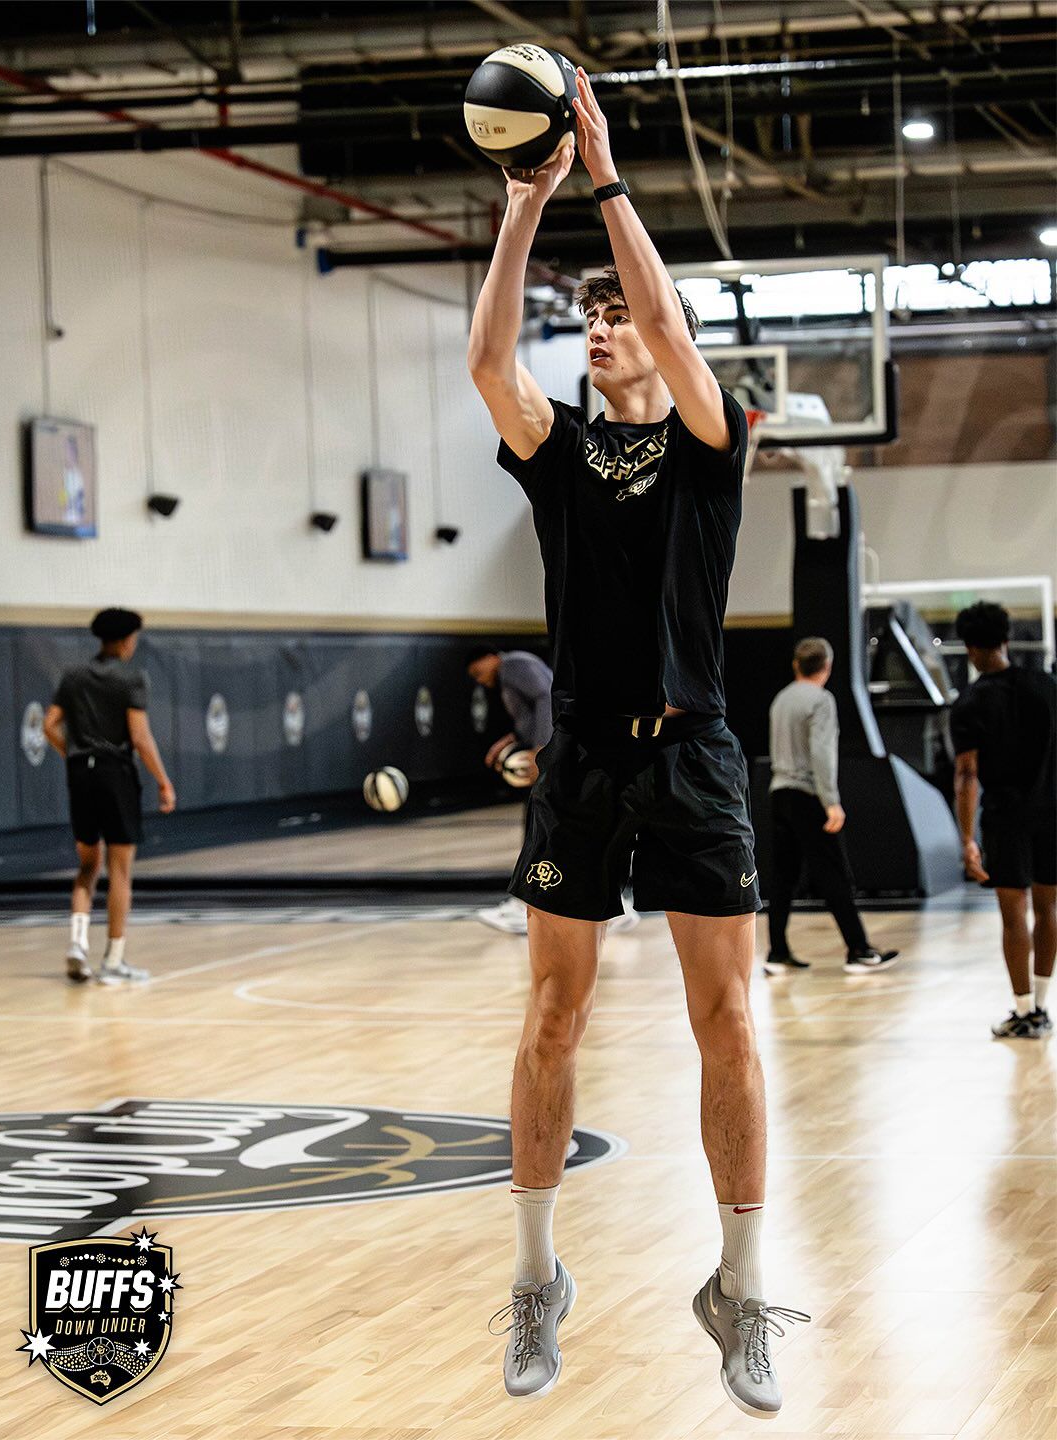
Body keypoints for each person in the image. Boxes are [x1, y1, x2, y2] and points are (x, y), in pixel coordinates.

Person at [469, 70, 808, 1418]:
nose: (606, 332)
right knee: (553, 1018)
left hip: (697, 759)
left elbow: (666, 312)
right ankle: (537, 1277)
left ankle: (737, 1288)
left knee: (727, 1020)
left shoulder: (715, 444)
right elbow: (491, 363)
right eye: (593, 323)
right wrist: (525, 206)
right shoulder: (557, 456)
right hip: (588, 768)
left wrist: (603, 170)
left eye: (619, 320)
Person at [42, 608, 176, 984]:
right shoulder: (132, 679)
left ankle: (77, 945)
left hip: (79, 774)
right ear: (124, 640)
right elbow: (140, 738)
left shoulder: (73, 676)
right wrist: (163, 781)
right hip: (115, 774)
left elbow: (49, 725)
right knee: (119, 871)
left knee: (87, 866)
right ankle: (114, 960)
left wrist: (71, 752)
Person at [467, 646, 638, 935]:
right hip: (561, 751)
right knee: (557, 825)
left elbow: (546, 697)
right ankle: (609, 901)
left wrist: (542, 751)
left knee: (546, 823)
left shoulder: (513, 665)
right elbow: (530, 716)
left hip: (558, 754)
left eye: (477, 671)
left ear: (490, 656)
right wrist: (507, 742)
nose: (479, 679)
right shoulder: (512, 671)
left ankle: (529, 903)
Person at [951, 601, 1055, 1039]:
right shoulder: (1048, 686)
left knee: (1014, 917)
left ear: (971, 648)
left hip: (1005, 818)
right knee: (1049, 909)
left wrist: (967, 839)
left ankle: (1023, 1010)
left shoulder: (970, 702)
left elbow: (967, 775)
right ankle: (1044, 1008)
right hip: (1052, 811)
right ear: (1006, 638)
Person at [766, 637, 900, 977]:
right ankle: (858, 950)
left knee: (783, 877)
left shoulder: (781, 699)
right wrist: (831, 802)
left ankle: (777, 951)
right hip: (808, 795)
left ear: (796, 665)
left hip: (779, 793)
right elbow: (822, 754)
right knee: (834, 874)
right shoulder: (821, 700)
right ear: (827, 666)